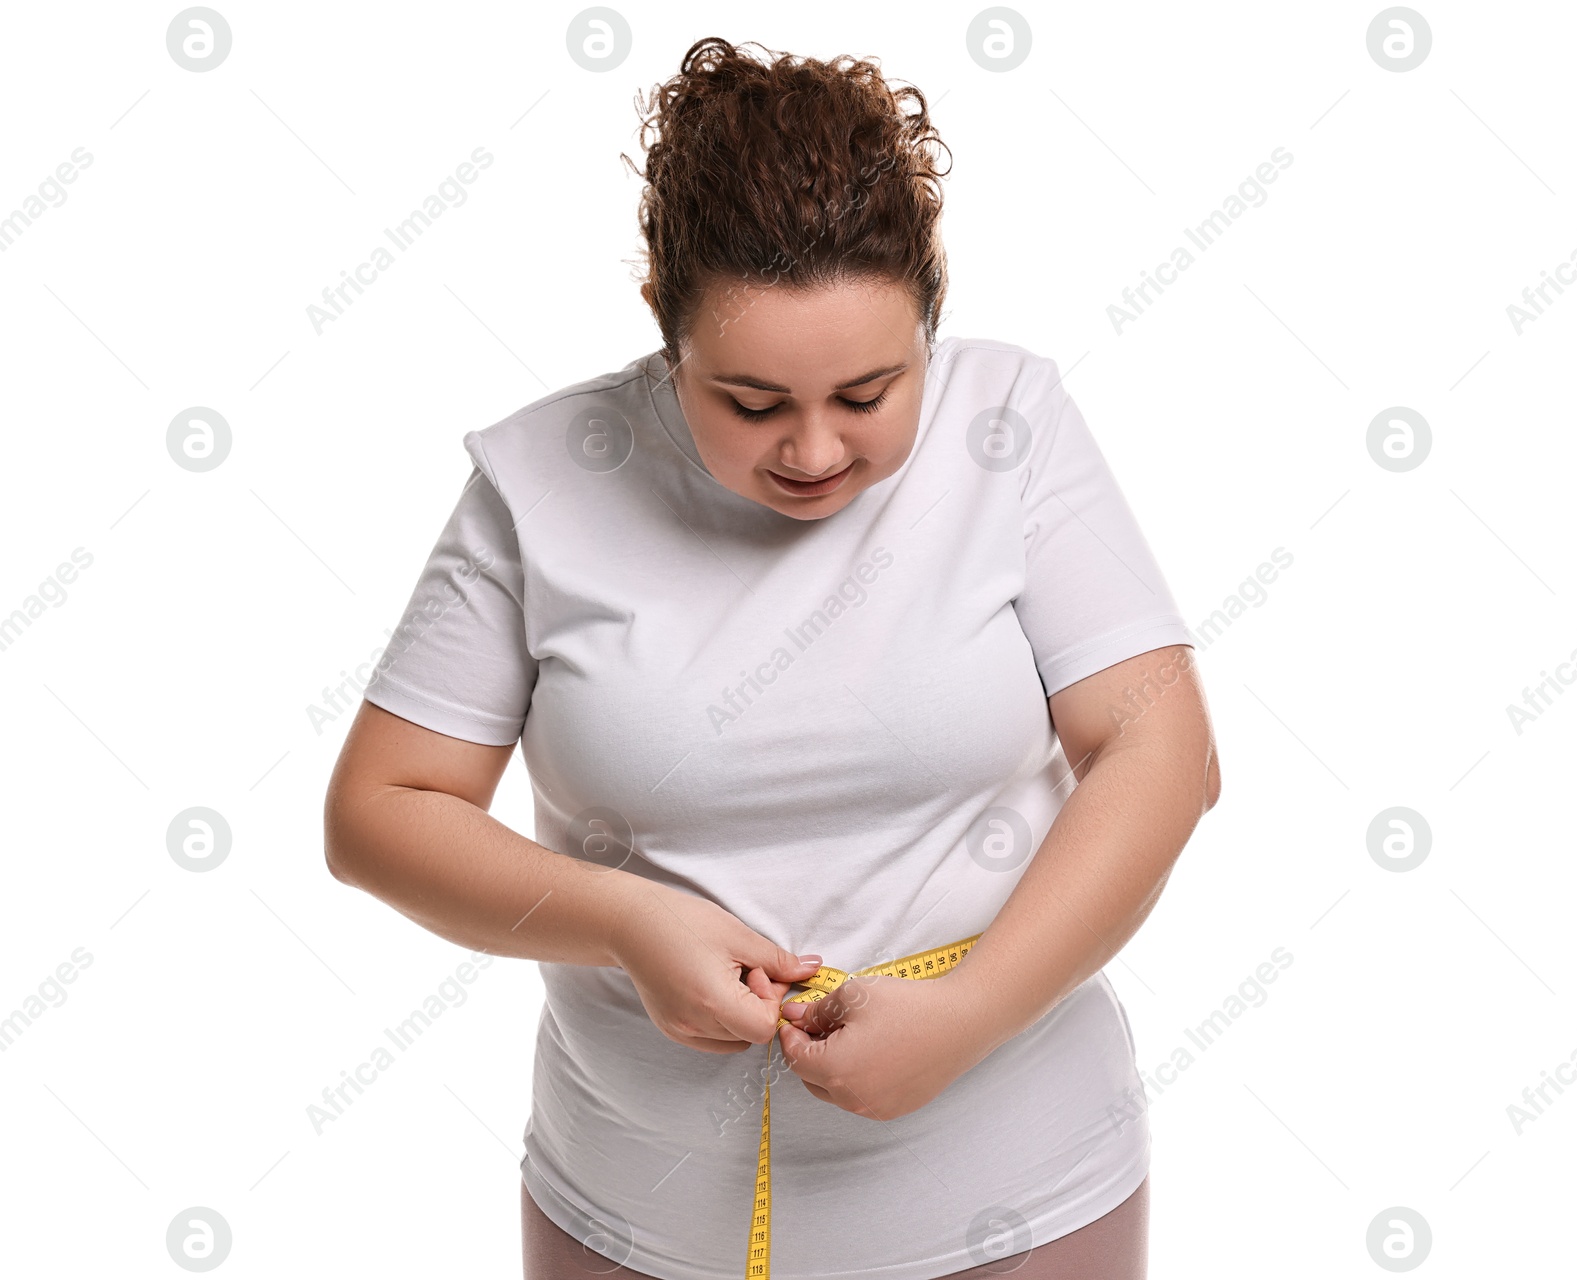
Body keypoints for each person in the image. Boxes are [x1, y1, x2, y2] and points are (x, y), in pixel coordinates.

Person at [323, 35, 1220, 1280]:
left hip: (1018, 1195)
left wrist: (968, 1011)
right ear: (661, 318)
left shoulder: (1011, 426)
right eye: (749, 401)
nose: (812, 451)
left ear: (931, 316)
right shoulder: (539, 483)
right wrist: (626, 919)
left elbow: (1159, 745)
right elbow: (379, 810)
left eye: (868, 392)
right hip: (634, 1211)